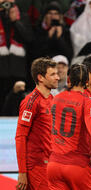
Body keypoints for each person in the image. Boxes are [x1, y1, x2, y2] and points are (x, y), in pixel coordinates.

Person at [15, 57, 59, 190]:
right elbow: (20, 137)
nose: (57, 77)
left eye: (57, 73)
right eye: (53, 74)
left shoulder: (53, 100)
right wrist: (22, 172)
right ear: (40, 77)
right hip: (36, 166)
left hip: (50, 164)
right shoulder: (31, 102)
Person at [0, 0, 33, 115]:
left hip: (18, 71)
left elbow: (29, 38)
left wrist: (15, 22)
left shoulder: (23, 17)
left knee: (17, 105)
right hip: (1, 70)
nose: (6, 4)